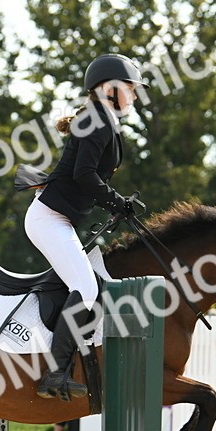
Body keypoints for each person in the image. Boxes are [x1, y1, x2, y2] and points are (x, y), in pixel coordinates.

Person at [24, 54, 148, 401]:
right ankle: (55, 373)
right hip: (49, 219)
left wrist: (116, 204)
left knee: (90, 283)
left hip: (59, 219)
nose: (135, 96)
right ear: (111, 89)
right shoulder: (97, 120)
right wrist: (116, 200)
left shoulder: (103, 120)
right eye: (131, 89)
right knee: (86, 287)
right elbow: (84, 174)